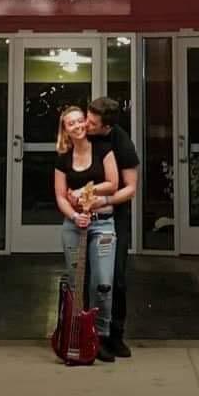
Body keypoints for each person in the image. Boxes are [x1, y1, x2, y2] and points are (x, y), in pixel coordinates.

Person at [53, 105, 119, 362]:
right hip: (74, 226)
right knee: (75, 284)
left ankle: (99, 337)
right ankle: (75, 336)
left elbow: (113, 184)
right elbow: (60, 196)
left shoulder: (103, 149)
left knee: (103, 283)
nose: (78, 125)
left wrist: (83, 192)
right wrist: (74, 214)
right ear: (65, 130)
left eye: (81, 120)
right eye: (71, 123)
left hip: (102, 224)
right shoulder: (62, 157)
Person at [79, 96, 139, 358]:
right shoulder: (83, 134)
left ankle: (115, 334)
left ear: (106, 127)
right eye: (86, 118)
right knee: (90, 277)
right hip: (85, 215)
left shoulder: (121, 142)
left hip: (116, 216)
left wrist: (104, 200)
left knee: (116, 277)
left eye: (92, 123)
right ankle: (91, 335)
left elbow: (131, 189)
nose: (86, 125)